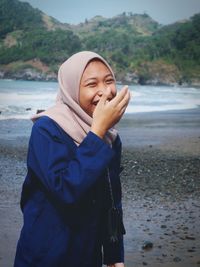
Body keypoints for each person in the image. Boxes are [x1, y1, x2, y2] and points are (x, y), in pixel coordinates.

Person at [14, 51, 130, 267]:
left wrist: (114, 254)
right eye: (92, 84)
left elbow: (112, 199)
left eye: (109, 81)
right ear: (71, 89)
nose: (105, 92)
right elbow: (65, 189)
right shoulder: (46, 129)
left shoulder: (110, 137)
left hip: (88, 252)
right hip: (46, 252)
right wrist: (96, 133)